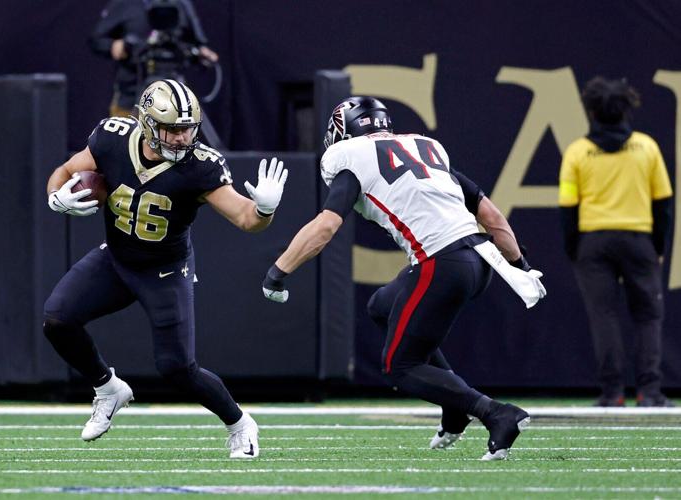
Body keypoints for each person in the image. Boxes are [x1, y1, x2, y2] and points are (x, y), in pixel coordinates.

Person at [260, 96, 546, 460]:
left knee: (401, 366)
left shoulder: (349, 159)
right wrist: (519, 264)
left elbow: (326, 226)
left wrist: (277, 272)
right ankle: (454, 407)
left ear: (340, 132)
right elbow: (491, 216)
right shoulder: (425, 148)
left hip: (440, 263)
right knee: (382, 306)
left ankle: (495, 413)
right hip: (481, 260)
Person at [44, 79, 288, 458]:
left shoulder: (200, 165)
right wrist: (56, 197)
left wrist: (265, 211)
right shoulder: (111, 138)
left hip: (165, 270)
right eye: (171, 128)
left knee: (177, 368)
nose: (180, 138)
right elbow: (64, 171)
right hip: (116, 258)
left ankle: (240, 424)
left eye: (187, 128)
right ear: (145, 122)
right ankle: (108, 388)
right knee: (57, 319)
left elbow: (245, 218)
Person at [559, 76, 674, 408]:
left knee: (604, 316)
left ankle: (612, 393)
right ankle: (650, 392)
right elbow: (663, 203)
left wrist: (574, 249)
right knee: (649, 316)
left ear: (591, 112)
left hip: (593, 242)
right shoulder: (646, 147)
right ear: (626, 109)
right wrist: (659, 248)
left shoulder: (578, 151)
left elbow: (568, 207)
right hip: (639, 240)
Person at [89, 0, 219, 117]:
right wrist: (113, 45)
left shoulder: (182, 3)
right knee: (126, 140)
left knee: (180, 138)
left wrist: (201, 52)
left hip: (173, 91)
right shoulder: (124, 3)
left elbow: (198, 43)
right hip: (131, 91)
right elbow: (96, 40)